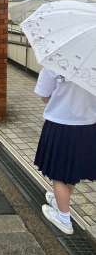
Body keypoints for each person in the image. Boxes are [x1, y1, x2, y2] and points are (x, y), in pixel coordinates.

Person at [34, 68, 96, 235]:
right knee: (70, 170)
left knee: (59, 173)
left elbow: (44, 96)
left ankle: (63, 218)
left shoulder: (53, 64)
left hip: (59, 125)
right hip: (87, 126)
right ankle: (59, 200)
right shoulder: (92, 63)